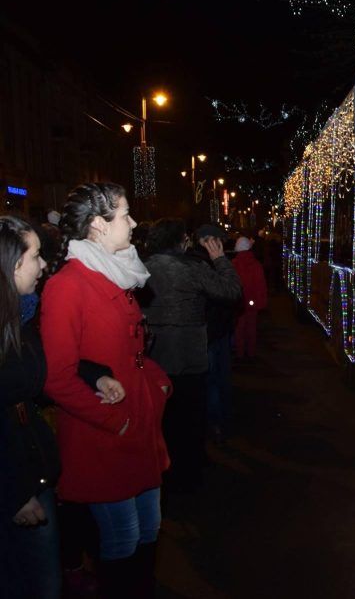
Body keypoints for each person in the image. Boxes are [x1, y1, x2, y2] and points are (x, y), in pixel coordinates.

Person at [41, 182, 171, 598]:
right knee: (123, 540)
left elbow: (126, 353)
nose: (133, 223)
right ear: (98, 225)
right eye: (125, 214)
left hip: (139, 426)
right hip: (104, 435)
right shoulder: (68, 285)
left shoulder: (117, 271)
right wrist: (116, 421)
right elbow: (57, 377)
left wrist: (156, 382)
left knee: (150, 529)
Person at [142, 218, 240, 491]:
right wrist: (220, 259)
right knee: (191, 416)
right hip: (189, 356)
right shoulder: (192, 268)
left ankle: (166, 470)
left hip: (153, 357)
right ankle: (190, 471)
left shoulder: (140, 268)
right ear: (180, 241)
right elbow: (231, 291)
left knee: (163, 418)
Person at [1, 215, 62, 599]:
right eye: (36, 256)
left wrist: (94, 375)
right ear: (12, 263)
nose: (43, 265)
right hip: (16, 484)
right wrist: (13, 493)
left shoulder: (21, 316)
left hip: (31, 470)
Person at [190, 224, 238, 442]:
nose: (222, 245)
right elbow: (232, 293)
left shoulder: (199, 261)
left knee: (218, 380)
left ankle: (218, 420)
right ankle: (216, 423)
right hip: (209, 335)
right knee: (213, 382)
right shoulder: (202, 264)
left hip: (216, 332)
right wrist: (220, 261)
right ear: (208, 241)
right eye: (218, 240)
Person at [232, 236, 267, 361]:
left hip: (238, 302)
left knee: (239, 328)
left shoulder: (234, 264)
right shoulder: (256, 264)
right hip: (252, 302)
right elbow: (260, 285)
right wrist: (261, 301)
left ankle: (240, 353)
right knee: (251, 327)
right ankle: (251, 352)